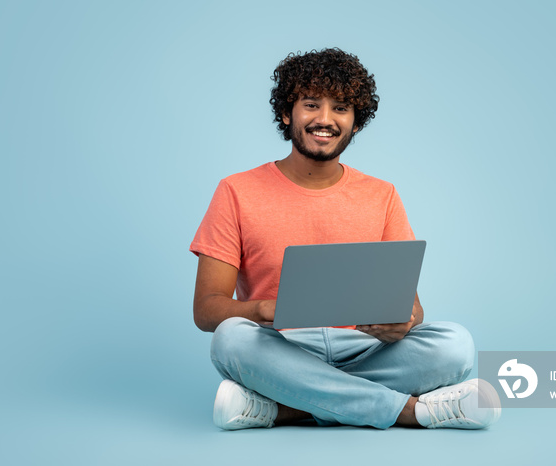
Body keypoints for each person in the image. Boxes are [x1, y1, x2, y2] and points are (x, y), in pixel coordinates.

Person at [190, 48, 501, 430]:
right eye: (310, 105)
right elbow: (206, 310)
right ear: (287, 114)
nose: (325, 120)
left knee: (455, 345)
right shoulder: (236, 191)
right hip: (281, 346)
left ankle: (284, 407)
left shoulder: (382, 194)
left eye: (340, 108)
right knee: (231, 340)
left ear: (356, 123)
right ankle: (413, 412)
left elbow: (413, 308)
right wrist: (261, 310)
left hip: (364, 348)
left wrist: (403, 322)